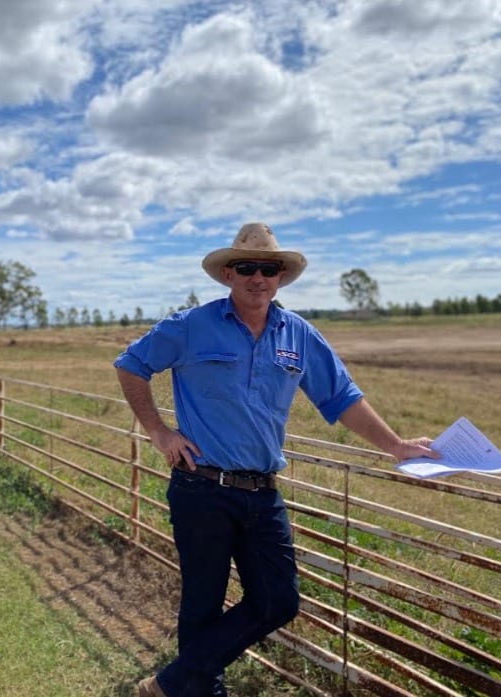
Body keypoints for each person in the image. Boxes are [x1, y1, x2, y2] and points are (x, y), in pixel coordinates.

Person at [114, 223, 439, 697]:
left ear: (281, 276)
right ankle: (201, 690)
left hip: (262, 493)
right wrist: (159, 431)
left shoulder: (299, 336)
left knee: (278, 601)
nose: (258, 277)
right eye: (246, 267)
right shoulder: (190, 326)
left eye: (269, 268)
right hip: (200, 487)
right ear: (228, 273)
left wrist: (396, 446)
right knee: (202, 602)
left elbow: (341, 397)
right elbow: (130, 364)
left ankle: (171, 683)